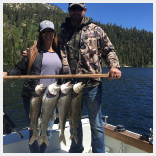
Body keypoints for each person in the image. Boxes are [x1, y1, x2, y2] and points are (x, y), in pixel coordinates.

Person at [22, 3, 121, 153]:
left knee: (96, 123)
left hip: (92, 85)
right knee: (74, 122)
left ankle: (98, 152)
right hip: (70, 87)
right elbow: (47, 48)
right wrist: (31, 52)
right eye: (73, 8)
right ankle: (76, 149)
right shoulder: (62, 33)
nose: (76, 11)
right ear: (69, 10)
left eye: (79, 9)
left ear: (84, 10)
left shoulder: (96, 30)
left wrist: (114, 66)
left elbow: (109, 50)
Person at [3, 20, 62, 153]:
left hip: (52, 98)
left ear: (54, 34)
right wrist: (6, 73)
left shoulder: (60, 52)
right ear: (41, 34)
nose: (48, 34)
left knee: (48, 130)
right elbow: (19, 70)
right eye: (44, 31)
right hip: (33, 97)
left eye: (50, 31)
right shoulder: (33, 52)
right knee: (34, 130)